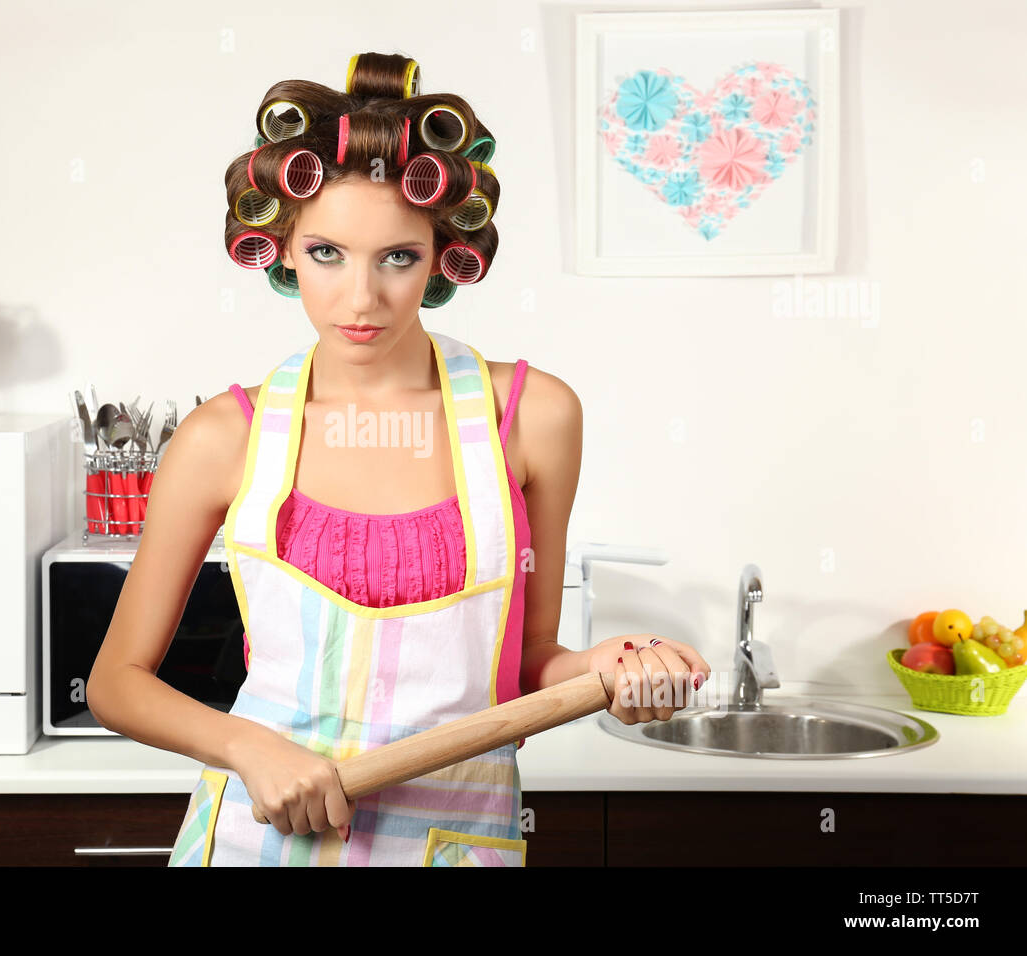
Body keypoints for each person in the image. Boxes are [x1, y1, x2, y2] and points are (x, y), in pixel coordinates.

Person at [87, 51, 711, 867]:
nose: (360, 298)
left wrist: (610, 671)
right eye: (326, 254)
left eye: (397, 257)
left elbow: (527, 663)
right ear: (279, 248)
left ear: (443, 253)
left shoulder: (531, 419)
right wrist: (248, 747)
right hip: (254, 844)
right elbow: (116, 681)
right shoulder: (223, 437)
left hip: (454, 846)